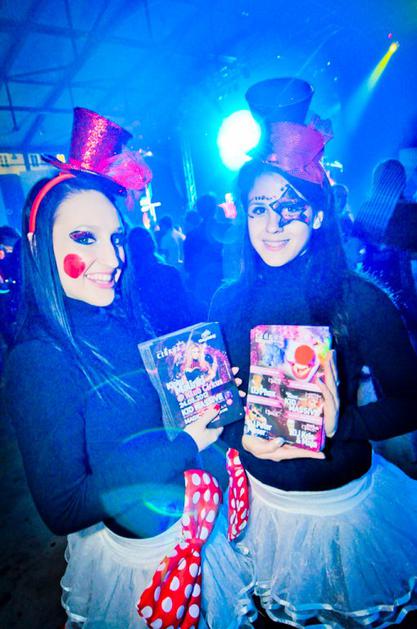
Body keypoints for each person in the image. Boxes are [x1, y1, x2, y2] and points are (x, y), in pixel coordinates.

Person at [2, 107, 241, 628]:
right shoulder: (38, 360)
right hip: (140, 569)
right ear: (38, 246)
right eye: (83, 238)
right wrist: (187, 443)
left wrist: (208, 390)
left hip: (191, 529)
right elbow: (64, 507)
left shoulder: (125, 317)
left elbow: (146, 421)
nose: (112, 260)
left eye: (115, 238)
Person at [209, 78, 417, 627]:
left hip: (342, 514)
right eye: (259, 208)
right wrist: (236, 431)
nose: (273, 224)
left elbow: (412, 401)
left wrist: (343, 423)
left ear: (319, 215)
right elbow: (223, 409)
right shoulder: (226, 302)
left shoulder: (361, 301)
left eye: (291, 207)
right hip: (261, 512)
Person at [125, 225, 196, 335]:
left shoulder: (129, 280)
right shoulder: (169, 272)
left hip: (153, 333)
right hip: (178, 328)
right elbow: (184, 303)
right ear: (152, 243)